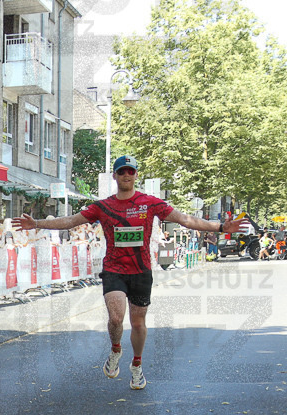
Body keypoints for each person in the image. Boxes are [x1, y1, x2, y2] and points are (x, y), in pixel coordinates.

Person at [16, 155, 243, 390]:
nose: (127, 175)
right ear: (114, 175)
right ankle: (115, 349)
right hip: (114, 270)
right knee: (116, 318)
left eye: (131, 171)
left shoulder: (150, 202)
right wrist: (37, 224)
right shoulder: (103, 206)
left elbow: (184, 219)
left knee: (137, 323)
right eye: (122, 171)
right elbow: (71, 221)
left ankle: (136, 365)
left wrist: (220, 227)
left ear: (136, 175)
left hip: (141, 271)